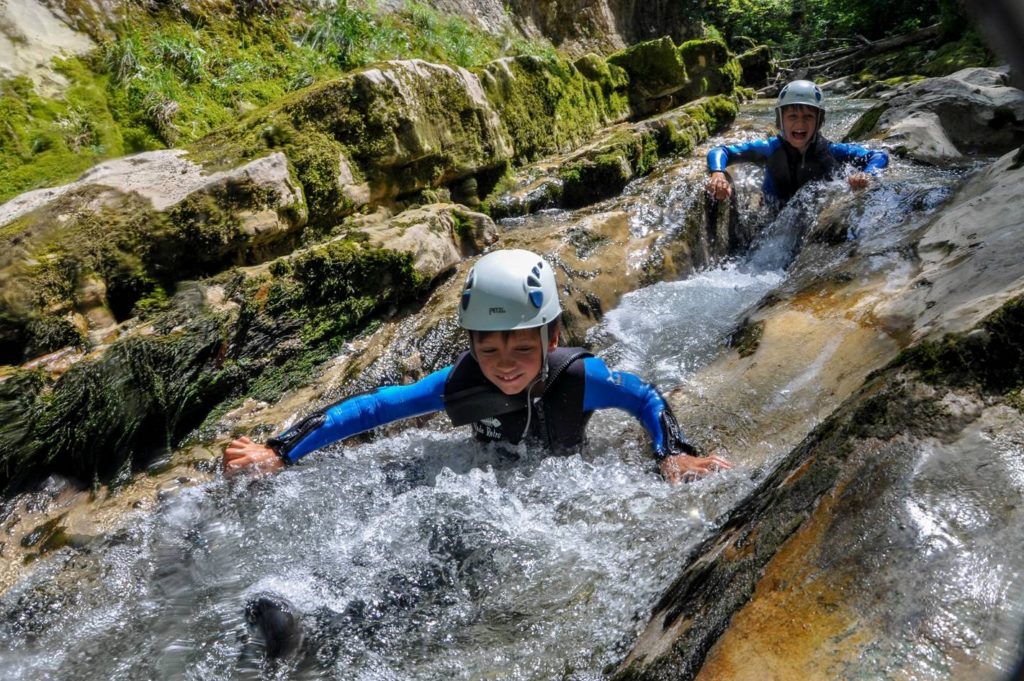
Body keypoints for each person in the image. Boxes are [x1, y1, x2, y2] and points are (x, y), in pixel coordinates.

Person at [224, 249, 731, 484]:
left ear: (552, 338)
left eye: (523, 350)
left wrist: (673, 454)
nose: (505, 368)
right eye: (489, 352)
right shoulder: (459, 383)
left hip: (568, 471)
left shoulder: (580, 378)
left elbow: (643, 396)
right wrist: (280, 450)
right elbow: (374, 408)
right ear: (469, 345)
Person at [705, 79, 889, 206]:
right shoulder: (769, 149)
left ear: (819, 121)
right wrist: (718, 174)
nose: (800, 124)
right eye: (792, 116)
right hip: (773, 221)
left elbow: (879, 155)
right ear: (780, 120)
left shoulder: (831, 151)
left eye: (808, 117)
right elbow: (720, 151)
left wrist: (866, 175)